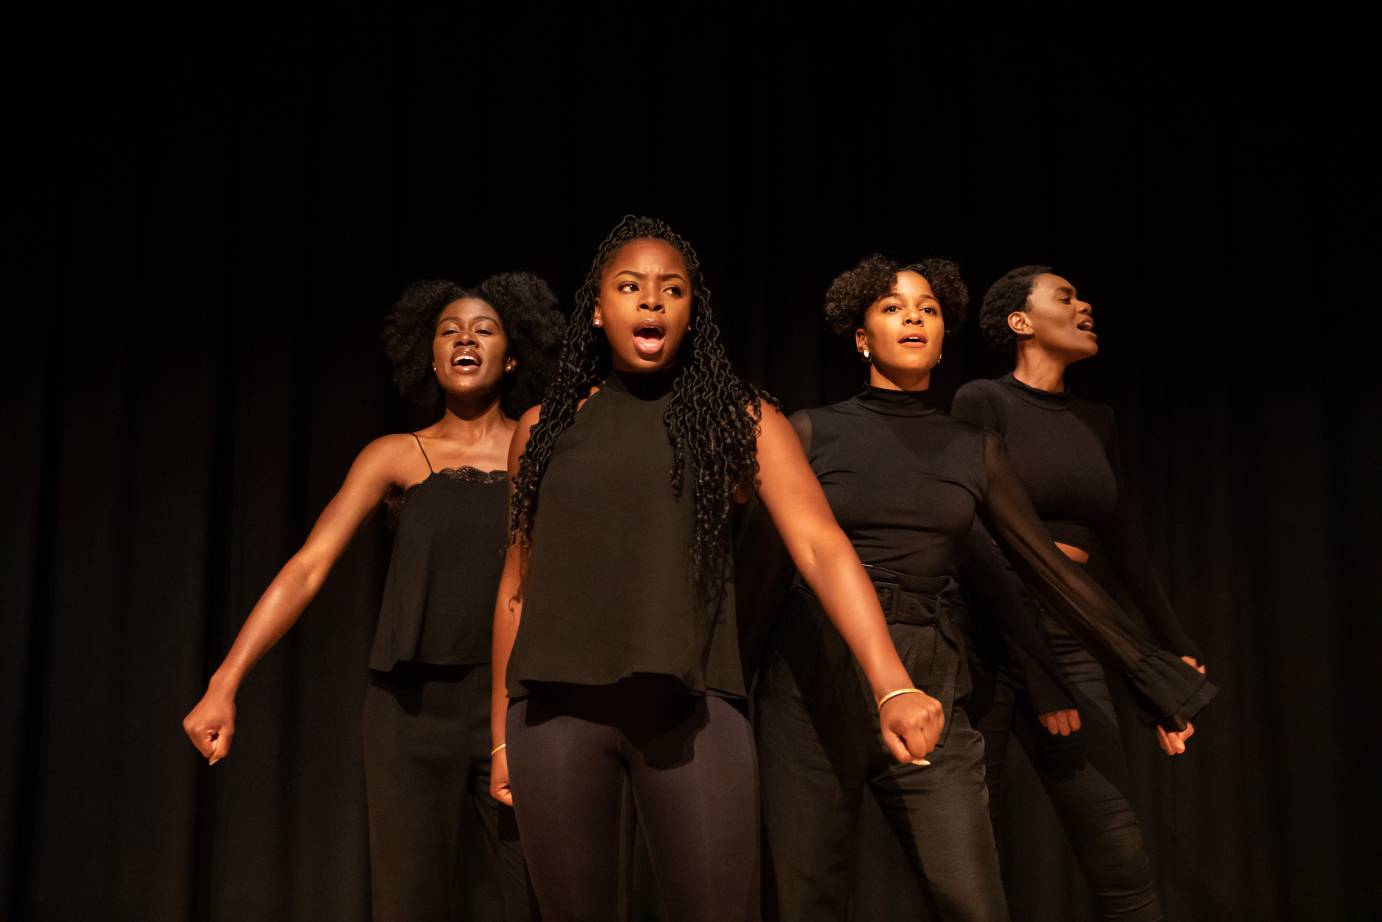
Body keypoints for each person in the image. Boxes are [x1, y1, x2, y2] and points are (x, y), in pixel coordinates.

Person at [488, 216, 943, 922]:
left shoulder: (741, 419)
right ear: (599, 308)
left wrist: (891, 686)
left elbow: (821, 545)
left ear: (691, 310)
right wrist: (499, 735)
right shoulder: (542, 428)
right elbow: (517, 589)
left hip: (692, 711)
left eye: (671, 288)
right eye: (630, 286)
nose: (650, 301)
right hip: (554, 718)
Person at [753, 255, 1215, 922]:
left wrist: (1155, 678)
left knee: (973, 900)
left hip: (930, 670)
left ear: (944, 338)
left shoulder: (971, 447)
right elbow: (765, 570)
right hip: (811, 672)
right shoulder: (809, 431)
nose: (913, 316)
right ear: (861, 338)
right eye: (892, 307)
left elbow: (1044, 571)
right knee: (809, 900)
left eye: (929, 310)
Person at [182, 273, 562, 922]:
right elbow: (308, 567)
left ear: (515, 354)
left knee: (536, 899)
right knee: (408, 902)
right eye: (449, 330)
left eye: (484, 328)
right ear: (430, 353)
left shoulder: (546, 452)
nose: (464, 337)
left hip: (521, 707)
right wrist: (225, 681)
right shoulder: (395, 455)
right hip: (409, 714)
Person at [952, 266, 1212, 921]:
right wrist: (1038, 675)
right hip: (986, 632)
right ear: (1020, 322)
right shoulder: (981, 401)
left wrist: (1173, 651)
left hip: (1070, 631)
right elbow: (977, 533)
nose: (1085, 304)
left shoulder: (1097, 419)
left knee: (1117, 847)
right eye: (1065, 297)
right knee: (963, 851)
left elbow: (1125, 543)